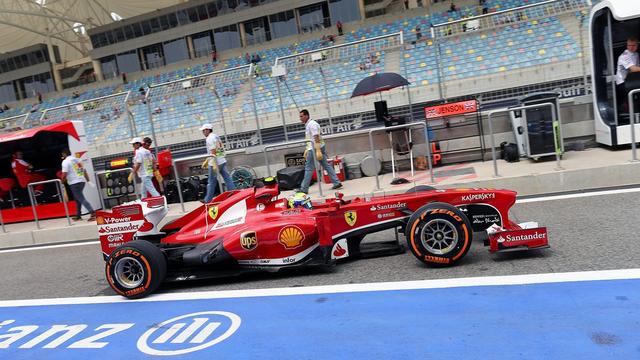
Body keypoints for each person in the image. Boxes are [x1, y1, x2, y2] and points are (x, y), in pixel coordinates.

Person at [298, 109, 342, 194]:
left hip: (315, 148)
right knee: (326, 165)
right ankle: (336, 182)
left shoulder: (312, 124)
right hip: (316, 147)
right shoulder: (309, 124)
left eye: (301, 116)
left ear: (307, 116)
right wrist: (307, 149)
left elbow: (316, 137)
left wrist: (317, 149)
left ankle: (304, 189)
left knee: (308, 168)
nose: (300, 118)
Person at [200, 123, 235, 203]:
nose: (203, 132)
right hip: (222, 160)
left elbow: (213, 151)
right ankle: (234, 194)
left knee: (211, 182)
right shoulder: (215, 136)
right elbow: (220, 149)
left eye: (204, 130)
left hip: (215, 162)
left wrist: (211, 161)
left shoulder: (209, 138)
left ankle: (207, 200)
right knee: (227, 178)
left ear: (208, 130)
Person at [60, 149, 95, 221]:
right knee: (77, 198)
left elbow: (64, 174)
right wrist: (88, 181)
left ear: (64, 154)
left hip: (74, 182)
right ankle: (78, 215)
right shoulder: (78, 160)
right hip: (82, 181)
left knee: (80, 198)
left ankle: (93, 213)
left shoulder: (65, 162)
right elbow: (84, 171)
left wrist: (61, 182)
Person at [616, 37, 640, 112]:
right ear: (627, 45)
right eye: (629, 45)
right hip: (622, 83)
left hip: (631, 79)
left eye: (634, 45)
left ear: (637, 45)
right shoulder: (624, 56)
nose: (631, 47)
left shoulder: (636, 54)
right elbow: (633, 69)